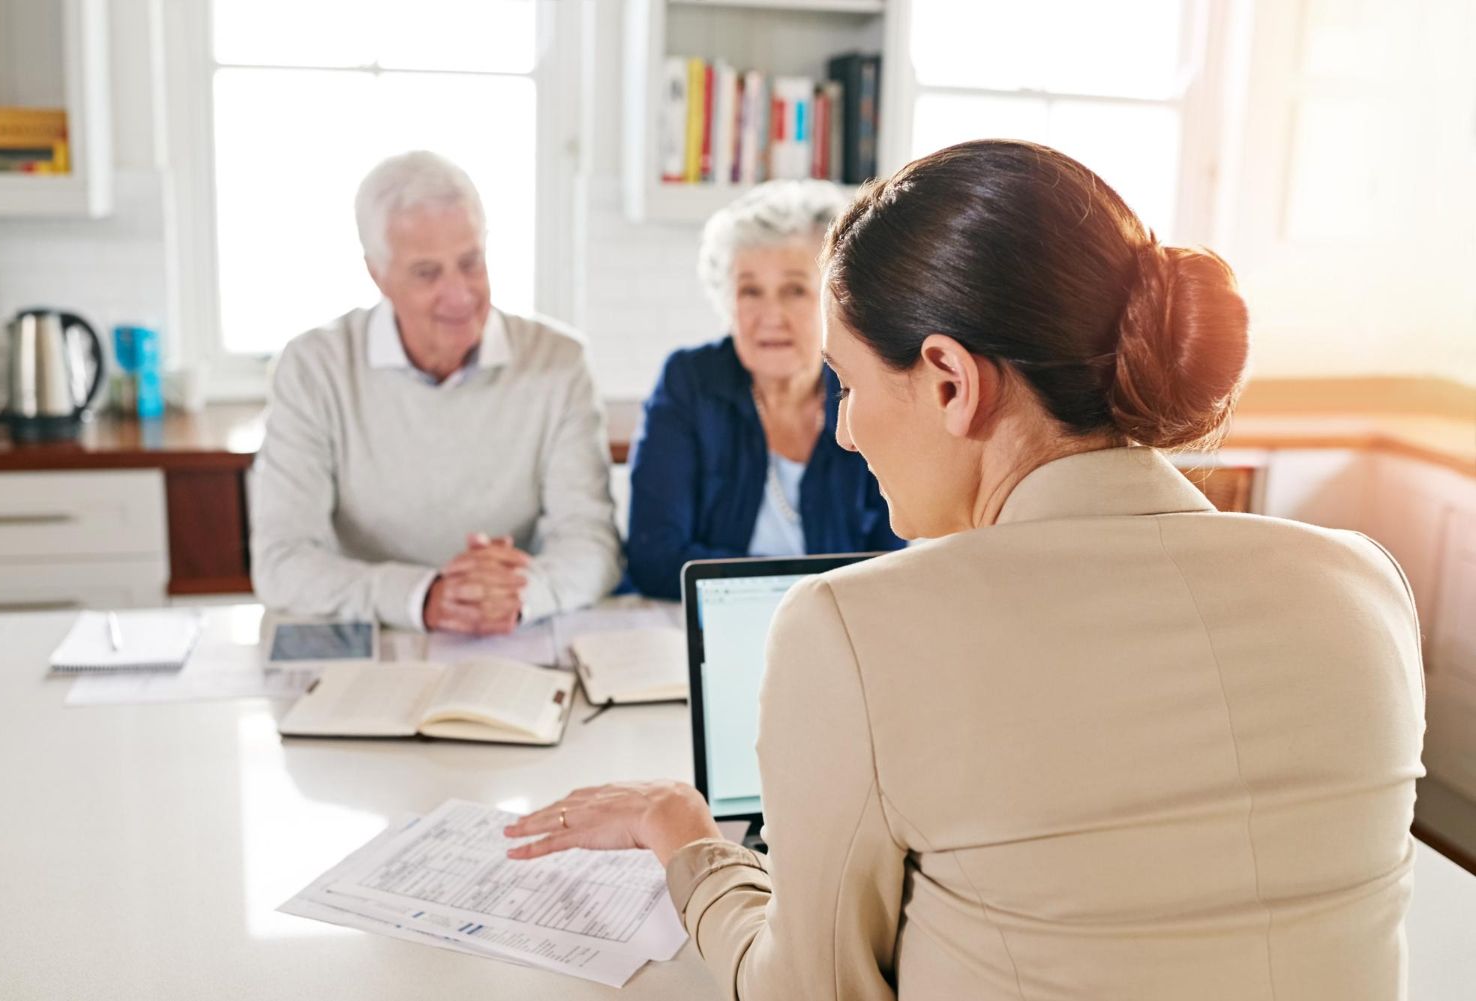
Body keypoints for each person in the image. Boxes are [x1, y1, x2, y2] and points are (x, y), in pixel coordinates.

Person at [503, 141, 1426, 999]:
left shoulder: (854, 628)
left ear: (950, 379)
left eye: (852, 385)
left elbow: (808, 989)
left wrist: (687, 837)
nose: (847, 428)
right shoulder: (1364, 585)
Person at [251, 151, 621, 635]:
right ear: (377, 274)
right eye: (427, 273)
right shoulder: (313, 368)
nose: (459, 294)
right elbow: (281, 563)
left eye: (471, 263)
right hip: (373, 638)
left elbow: (592, 546)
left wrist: (515, 596)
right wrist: (424, 597)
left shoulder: (559, 363)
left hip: (509, 638)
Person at [626, 180, 902, 600]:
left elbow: (890, 560)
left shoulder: (868, 385)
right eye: (751, 291)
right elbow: (654, 558)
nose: (770, 315)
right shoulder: (690, 381)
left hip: (838, 632)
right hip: (704, 629)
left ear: (835, 301)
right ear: (727, 301)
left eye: (794, 290)